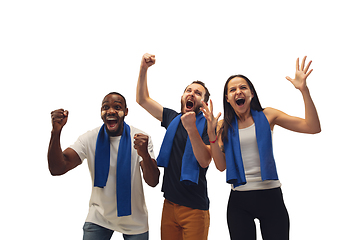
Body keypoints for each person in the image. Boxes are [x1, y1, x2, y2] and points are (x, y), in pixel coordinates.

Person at [201, 56, 321, 240]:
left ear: (251, 94)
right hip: (239, 200)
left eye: (243, 88)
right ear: (227, 98)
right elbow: (220, 166)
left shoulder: (268, 115)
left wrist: (304, 90)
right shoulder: (222, 125)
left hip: (271, 196)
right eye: (232, 90)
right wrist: (211, 135)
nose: (238, 92)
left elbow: (312, 127)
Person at [48, 92, 160, 240]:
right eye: (106, 107)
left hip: (134, 219)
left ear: (126, 112)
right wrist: (56, 132)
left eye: (117, 107)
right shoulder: (90, 138)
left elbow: (153, 181)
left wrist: (145, 154)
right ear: (101, 112)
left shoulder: (139, 138)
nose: (111, 111)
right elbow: (57, 168)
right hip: (99, 217)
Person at [136, 53, 212, 240]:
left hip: (195, 208)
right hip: (169, 204)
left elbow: (204, 161)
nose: (191, 94)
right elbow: (143, 99)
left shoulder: (210, 126)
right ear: (182, 96)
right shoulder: (172, 118)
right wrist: (144, 69)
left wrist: (191, 128)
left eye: (197, 93)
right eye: (188, 90)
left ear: (204, 103)